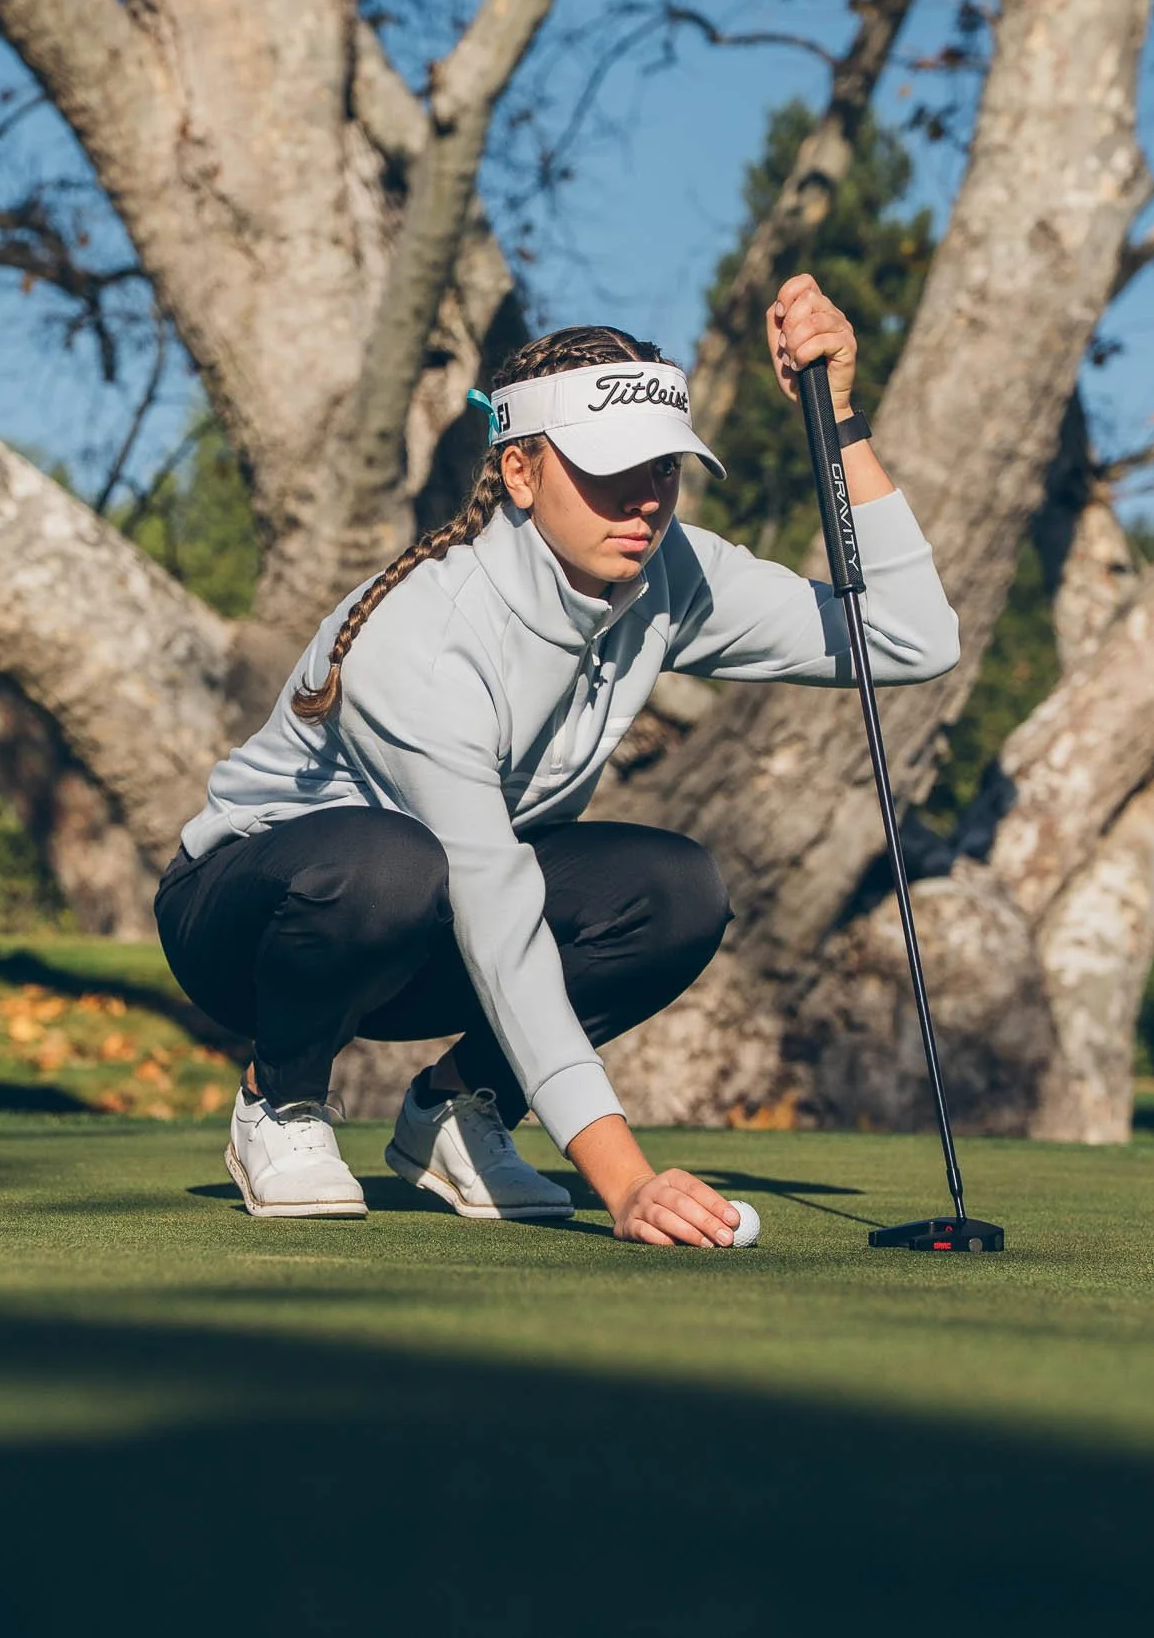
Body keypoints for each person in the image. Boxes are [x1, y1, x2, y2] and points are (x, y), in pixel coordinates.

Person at [156, 275, 960, 1247]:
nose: (645, 498)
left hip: (427, 923)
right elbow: (496, 912)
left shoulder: (667, 572)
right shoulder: (428, 635)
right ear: (521, 471)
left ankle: (458, 1110)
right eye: (609, 468)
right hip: (253, 926)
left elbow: (908, 638)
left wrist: (837, 419)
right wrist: (625, 1181)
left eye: (663, 466)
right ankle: (278, 1097)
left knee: (676, 891)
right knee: (390, 863)